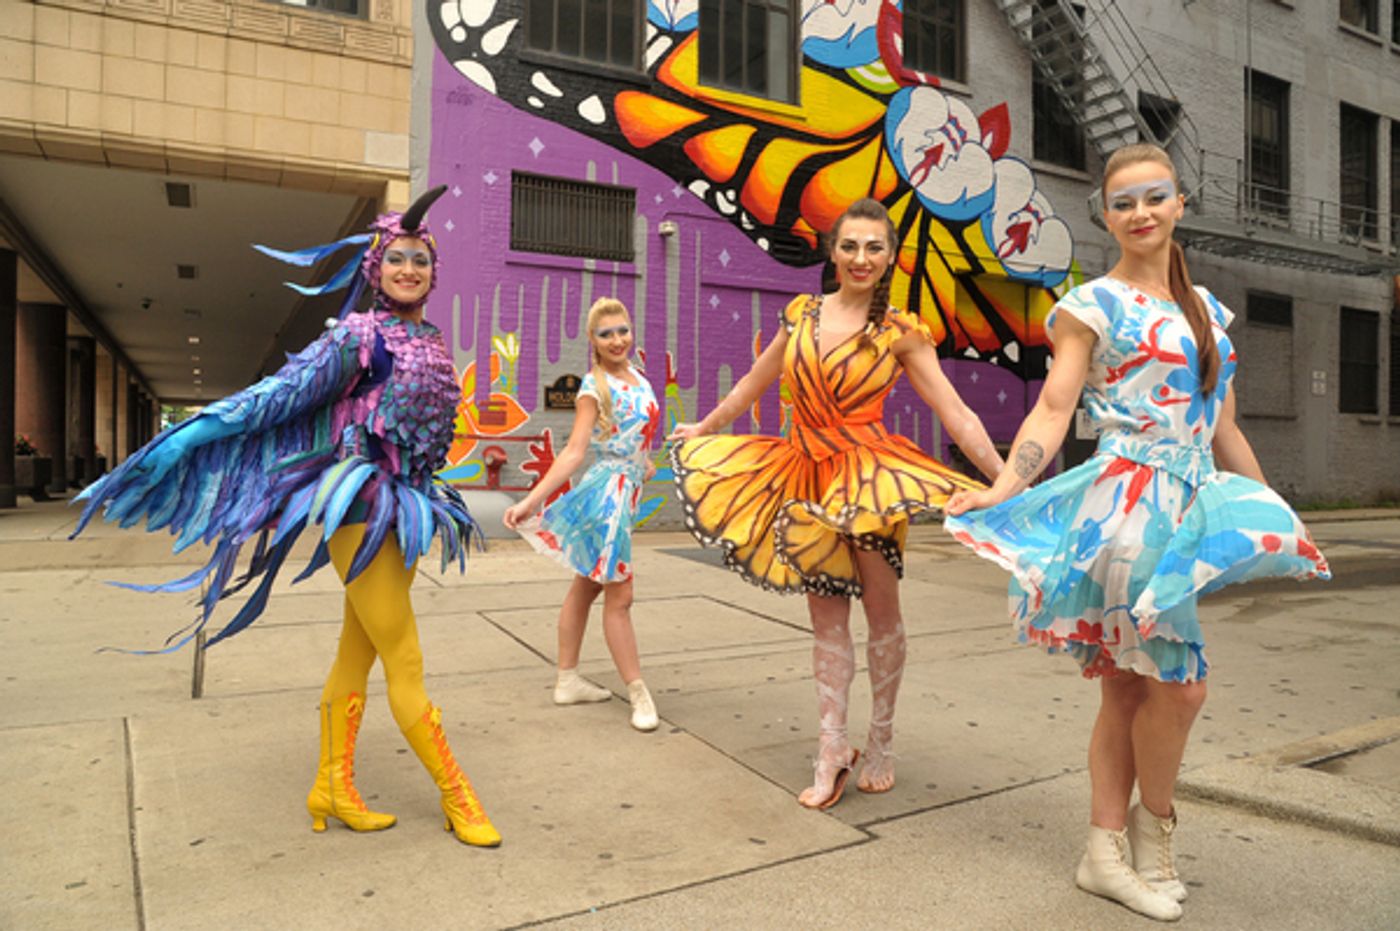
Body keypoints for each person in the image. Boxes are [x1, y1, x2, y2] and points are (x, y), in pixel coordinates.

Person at [943, 144, 1330, 921]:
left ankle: (1107, 851)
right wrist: (1003, 487)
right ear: (1107, 217)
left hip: (1188, 504)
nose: (1141, 212)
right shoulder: (1092, 304)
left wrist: (1267, 513)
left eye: (1155, 196)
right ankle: (1154, 835)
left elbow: (1223, 427)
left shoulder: (1207, 311)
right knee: (1180, 684)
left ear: (1180, 202)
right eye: (1123, 203)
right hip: (1126, 507)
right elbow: (1054, 407)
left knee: (1128, 688)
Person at [72, 186, 503, 848]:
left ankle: (332, 785)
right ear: (375, 268)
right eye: (396, 258)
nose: (409, 269)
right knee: (406, 658)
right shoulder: (358, 337)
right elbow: (280, 395)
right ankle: (456, 794)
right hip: (361, 511)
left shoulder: (430, 337)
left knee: (357, 651)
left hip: (411, 509)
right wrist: (191, 434)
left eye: (420, 259)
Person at [669, 198, 1003, 809]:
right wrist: (706, 427)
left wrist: (1005, 482)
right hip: (806, 476)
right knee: (825, 618)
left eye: (874, 247)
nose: (861, 258)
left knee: (882, 613)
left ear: (890, 256)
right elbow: (753, 382)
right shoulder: (801, 314)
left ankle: (881, 741)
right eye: (850, 246)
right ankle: (831, 749)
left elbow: (955, 411)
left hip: (869, 481)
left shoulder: (900, 332)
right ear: (833, 251)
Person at [503, 298, 662, 732]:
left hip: (625, 491)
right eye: (606, 334)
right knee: (620, 596)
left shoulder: (640, 378)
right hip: (606, 496)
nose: (617, 340)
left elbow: (634, 436)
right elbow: (574, 452)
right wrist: (530, 501)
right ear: (593, 340)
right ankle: (638, 692)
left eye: (622, 330)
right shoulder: (594, 387)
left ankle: (567, 680)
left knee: (587, 586)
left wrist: (642, 463)